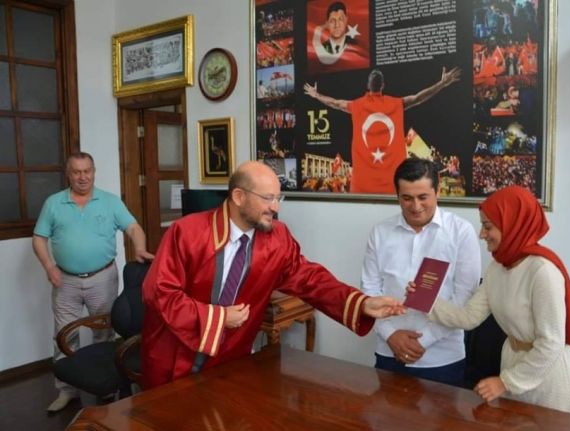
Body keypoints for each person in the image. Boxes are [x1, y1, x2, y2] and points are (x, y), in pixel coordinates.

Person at [141, 161, 405, 389]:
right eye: (268, 198)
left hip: (230, 360)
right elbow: (159, 292)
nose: (275, 207)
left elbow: (310, 279)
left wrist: (361, 303)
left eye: (279, 198)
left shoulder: (278, 237)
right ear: (238, 196)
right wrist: (219, 318)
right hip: (174, 357)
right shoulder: (187, 232)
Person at [410, 185, 570, 414]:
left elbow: (552, 343)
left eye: (487, 227)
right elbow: (469, 317)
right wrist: (423, 299)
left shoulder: (542, 271)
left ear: (512, 225)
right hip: (513, 365)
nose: (481, 234)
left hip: (551, 379)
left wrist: (505, 382)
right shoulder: (497, 268)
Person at [32, 151, 153, 413]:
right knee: (64, 334)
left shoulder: (109, 201)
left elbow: (133, 227)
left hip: (103, 278)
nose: (82, 177)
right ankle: (67, 391)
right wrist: (49, 266)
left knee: (105, 332)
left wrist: (140, 248)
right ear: (68, 174)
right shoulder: (53, 203)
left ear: (94, 172)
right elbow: (39, 238)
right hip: (65, 280)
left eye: (87, 171)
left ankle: (105, 387)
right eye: (76, 172)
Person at [361, 159, 481, 387]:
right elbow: (369, 291)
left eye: (423, 197)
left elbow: (464, 299)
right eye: (407, 198)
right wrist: (390, 335)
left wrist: (422, 342)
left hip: (442, 358)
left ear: (437, 191)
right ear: (397, 195)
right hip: (389, 351)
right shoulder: (380, 232)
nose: (415, 206)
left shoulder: (461, 232)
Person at [303, 66, 461, 194]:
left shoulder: (356, 105)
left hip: (361, 188)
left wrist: (316, 95)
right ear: (383, 86)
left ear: (368, 86)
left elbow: (334, 103)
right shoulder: (395, 104)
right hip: (391, 187)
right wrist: (441, 84)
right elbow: (418, 97)